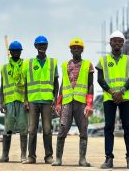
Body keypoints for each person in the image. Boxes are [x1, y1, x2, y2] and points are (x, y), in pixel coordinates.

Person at [96, 30, 129, 169]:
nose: (117, 43)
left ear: (123, 43)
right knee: (108, 128)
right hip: (109, 97)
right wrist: (112, 92)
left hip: (125, 98)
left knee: (128, 128)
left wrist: (122, 91)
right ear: (110, 43)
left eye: (120, 41)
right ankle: (108, 158)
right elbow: (99, 78)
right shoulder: (103, 60)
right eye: (115, 41)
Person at [52, 38, 94, 167]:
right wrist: (58, 103)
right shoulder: (65, 65)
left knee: (83, 130)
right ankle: (58, 159)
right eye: (74, 48)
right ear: (70, 50)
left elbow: (90, 85)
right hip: (67, 102)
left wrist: (89, 104)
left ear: (82, 50)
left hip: (81, 102)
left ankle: (82, 159)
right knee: (63, 128)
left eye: (78, 48)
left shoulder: (88, 65)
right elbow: (63, 85)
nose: (76, 50)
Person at [23, 35, 59, 164]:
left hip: (47, 101)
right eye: (39, 45)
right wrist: (25, 100)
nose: (42, 47)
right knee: (31, 130)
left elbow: (56, 83)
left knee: (47, 129)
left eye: (44, 44)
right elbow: (25, 83)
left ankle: (48, 156)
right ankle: (31, 157)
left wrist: (55, 99)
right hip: (33, 101)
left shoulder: (53, 62)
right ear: (35, 46)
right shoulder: (28, 63)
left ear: (47, 46)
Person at [0, 41, 28, 163]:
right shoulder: (4, 68)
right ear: (10, 52)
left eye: (17, 51)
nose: (15, 53)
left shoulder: (25, 66)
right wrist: (1, 103)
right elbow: (2, 86)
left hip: (21, 101)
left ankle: (23, 156)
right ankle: (5, 155)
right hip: (9, 102)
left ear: (21, 52)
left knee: (23, 128)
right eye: (13, 51)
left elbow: (28, 85)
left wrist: (27, 100)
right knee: (8, 129)